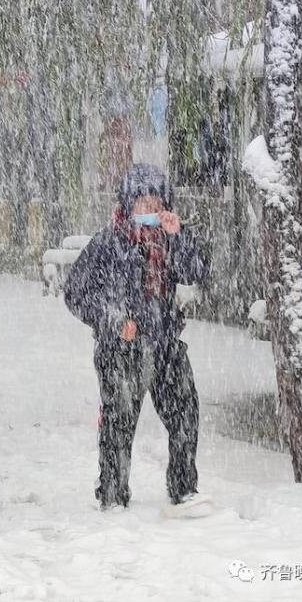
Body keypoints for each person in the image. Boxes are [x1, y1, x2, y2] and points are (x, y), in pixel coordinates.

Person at [64, 164, 209, 513]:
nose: (149, 211)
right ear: (128, 204)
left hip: (166, 343)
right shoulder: (107, 243)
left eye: (156, 204)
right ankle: (113, 494)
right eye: (142, 204)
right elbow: (75, 293)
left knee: (185, 415)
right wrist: (115, 321)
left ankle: (184, 489)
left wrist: (179, 236)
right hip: (122, 350)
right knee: (118, 422)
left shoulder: (170, 240)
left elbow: (198, 271)